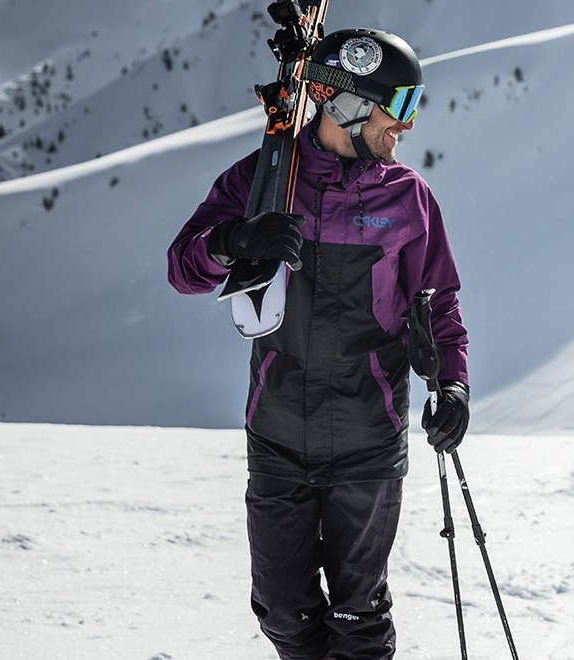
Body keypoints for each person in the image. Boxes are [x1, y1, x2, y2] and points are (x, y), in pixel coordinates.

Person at [165, 28, 469, 660]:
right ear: (349, 104)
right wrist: (234, 243)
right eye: (400, 107)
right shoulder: (264, 180)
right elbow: (182, 268)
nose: (406, 127)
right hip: (277, 433)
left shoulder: (407, 197)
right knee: (281, 608)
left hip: (368, 437)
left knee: (360, 618)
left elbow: (438, 298)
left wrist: (454, 382)